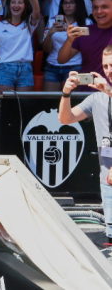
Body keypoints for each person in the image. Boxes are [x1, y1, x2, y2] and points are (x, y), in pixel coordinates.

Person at [58, 45, 112, 244]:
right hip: (107, 175)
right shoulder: (96, 98)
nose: (109, 70)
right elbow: (65, 118)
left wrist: (109, 91)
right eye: (106, 66)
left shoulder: (105, 92)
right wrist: (66, 93)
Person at [0, 0, 41, 92]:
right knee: (4, 104)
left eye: (20, 2)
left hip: (25, 68)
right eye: (13, 2)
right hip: (5, 68)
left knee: (24, 106)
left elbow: (36, 13)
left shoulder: (28, 24)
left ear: (25, 5)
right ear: (9, 5)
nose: (16, 5)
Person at [43, 0, 92, 91]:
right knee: (49, 103)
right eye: (65, 3)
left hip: (75, 66)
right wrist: (50, 33)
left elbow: (88, 48)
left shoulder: (87, 22)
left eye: (71, 2)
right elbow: (45, 49)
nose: (68, 6)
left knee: (72, 102)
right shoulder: (52, 21)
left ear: (78, 4)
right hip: (52, 66)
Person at [58, 0, 112, 80]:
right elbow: (61, 60)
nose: (99, 11)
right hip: (86, 90)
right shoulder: (84, 31)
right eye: (95, 8)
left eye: (104, 7)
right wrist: (69, 40)